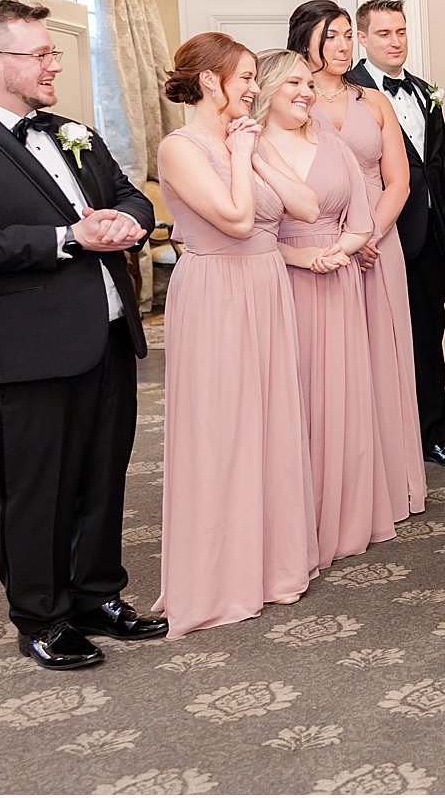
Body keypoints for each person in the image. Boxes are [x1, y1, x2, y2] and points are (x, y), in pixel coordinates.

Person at [0, 0, 165, 669]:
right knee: (35, 488)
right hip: (23, 350)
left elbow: (131, 194)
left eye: (52, 52)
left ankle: (98, 593)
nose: (54, 64)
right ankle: (40, 615)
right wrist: (66, 237)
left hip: (104, 335)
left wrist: (126, 221)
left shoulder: (71, 129)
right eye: (39, 54)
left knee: (103, 473)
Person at [153, 39, 320, 637]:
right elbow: (237, 219)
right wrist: (244, 151)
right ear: (208, 81)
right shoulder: (180, 148)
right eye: (245, 77)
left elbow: (303, 205)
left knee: (269, 422)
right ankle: (217, 577)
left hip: (265, 285)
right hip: (218, 293)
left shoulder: (242, 140)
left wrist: (256, 155)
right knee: (220, 429)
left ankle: (270, 565)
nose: (254, 87)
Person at [289, 0, 424, 522]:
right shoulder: (291, 100)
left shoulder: (374, 101)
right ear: (308, 41)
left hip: (378, 246)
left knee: (381, 359)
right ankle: (332, 487)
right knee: (329, 366)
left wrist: (372, 233)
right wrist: (346, 238)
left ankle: (389, 484)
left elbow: (400, 180)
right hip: (319, 244)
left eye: (348, 35)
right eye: (333, 37)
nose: (344, 46)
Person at [270, 46, 395, 568]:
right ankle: (291, 519)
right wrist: (301, 257)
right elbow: (244, 233)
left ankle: (340, 516)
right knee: (289, 401)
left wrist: (338, 251)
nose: (304, 93)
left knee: (339, 396)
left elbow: (362, 221)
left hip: (338, 278)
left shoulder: (333, 144)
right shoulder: (249, 148)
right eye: (291, 85)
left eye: (307, 84)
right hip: (279, 285)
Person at [350, 0, 445, 472]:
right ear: (362, 38)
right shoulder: (346, 91)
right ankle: (379, 445)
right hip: (373, 238)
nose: (395, 41)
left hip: (426, 239)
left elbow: (439, 169)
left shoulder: (424, 91)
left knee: (427, 340)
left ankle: (432, 438)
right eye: (384, 33)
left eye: (400, 32)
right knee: (373, 342)